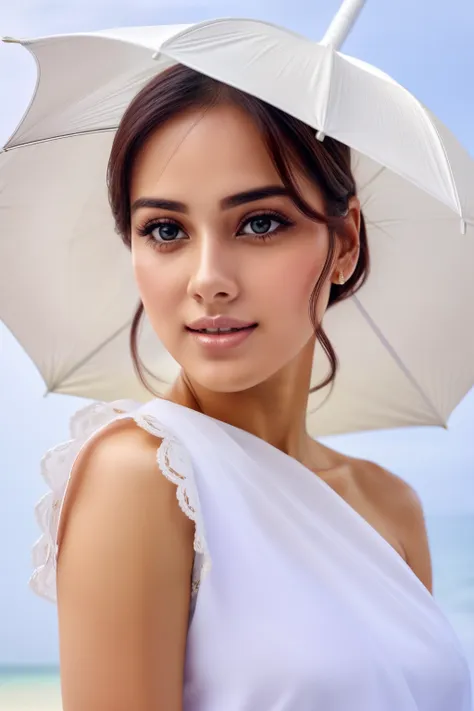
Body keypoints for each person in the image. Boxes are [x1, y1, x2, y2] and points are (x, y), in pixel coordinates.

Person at [30, 64, 472, 710]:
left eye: (259, 222)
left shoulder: (390, 504)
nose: (208, 279)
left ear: (344, 242)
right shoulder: (140, 478)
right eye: (166, 230)